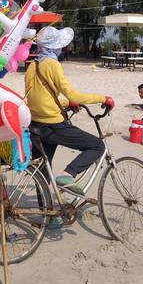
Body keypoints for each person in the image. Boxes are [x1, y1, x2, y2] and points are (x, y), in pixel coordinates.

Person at [25, 26, 114, 204]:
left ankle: (46, 213)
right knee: (97, 146)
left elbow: (38, 98)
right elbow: (73, 94)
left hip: (35, 124)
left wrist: (66, 103)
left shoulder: (32, 66)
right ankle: (68, 175)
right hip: (53, 125)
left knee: (42, 171)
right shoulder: (52, 65)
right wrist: (103, 98)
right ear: (54, 47)